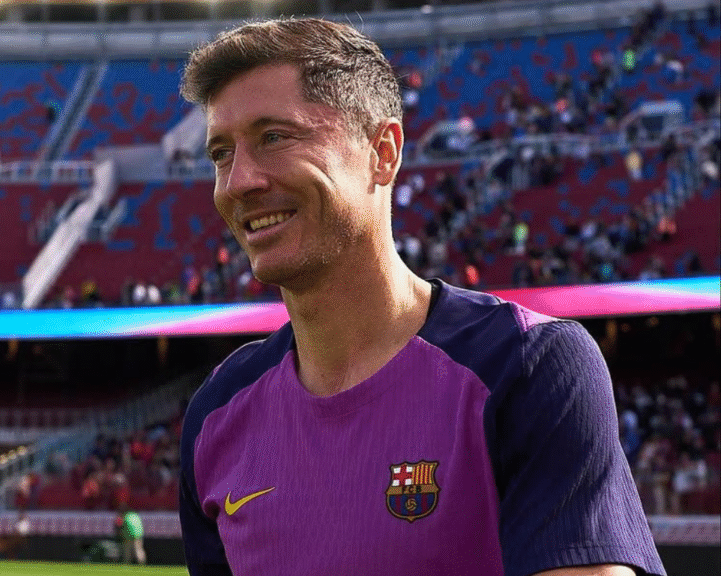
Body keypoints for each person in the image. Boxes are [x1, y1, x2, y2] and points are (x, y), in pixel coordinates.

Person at [177, 18, 664, 576]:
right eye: (221, 153)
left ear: (382, 152)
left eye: (274, 137)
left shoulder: (525, 365)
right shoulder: (217, 413)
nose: (238, 181)